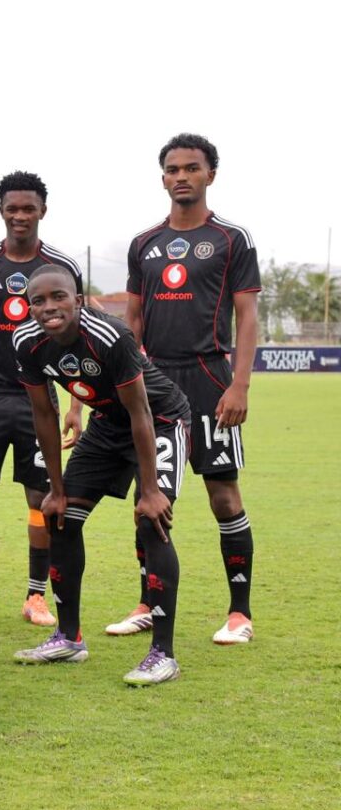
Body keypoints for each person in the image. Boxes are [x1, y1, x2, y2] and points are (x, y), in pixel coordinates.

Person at [12, 265, 190, 686]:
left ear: (77, 300)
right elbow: (44, 414)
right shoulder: (26, 342)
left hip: (160, 420)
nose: (49, 307)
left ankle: (163, 655)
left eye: (59, 297)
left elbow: (141, 411)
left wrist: (150, 490)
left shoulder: (110, 336)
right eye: (38, 301)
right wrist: (56, 490)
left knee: (152, 521)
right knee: (60, 517)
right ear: (29, 307)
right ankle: (68, 638)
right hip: (107, 425)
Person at [116, 133, 261, 645]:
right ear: (163, 179)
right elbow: (133, 319)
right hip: (154, 382)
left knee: (223, 494)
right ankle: (147, 603)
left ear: (210, 175)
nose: (182, 176)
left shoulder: (232, 239)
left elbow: (247, 316)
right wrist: (127, 379)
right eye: (173, 169)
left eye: (191, 168)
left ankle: (239, 613)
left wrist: (239, 384)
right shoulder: (143, 244)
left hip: (210, 378)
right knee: (150, 495)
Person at [0, 171, 84, 628]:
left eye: (28, 208)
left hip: (39, 399)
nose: (20, 215)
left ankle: (35, 597)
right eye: (12, 208)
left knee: (42, 498)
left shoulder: (61, 267)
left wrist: (76, 405)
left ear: (43, 210)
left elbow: (78, 337)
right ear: (1, 210)